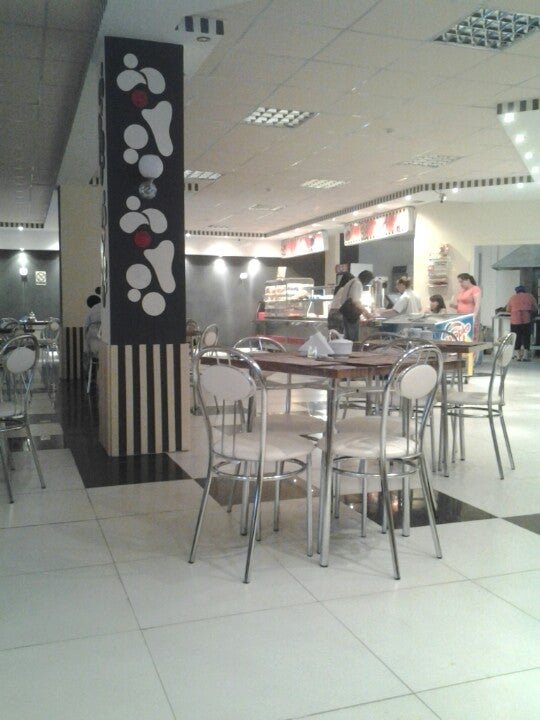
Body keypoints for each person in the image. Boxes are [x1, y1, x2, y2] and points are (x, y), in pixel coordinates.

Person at [327, 271, 371, 341]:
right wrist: (366, 313)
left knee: (337, 338)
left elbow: (342, 301)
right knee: (351, 338)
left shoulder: (345, 285)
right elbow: (355, 301)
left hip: (337, 312)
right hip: (347, 314)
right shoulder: (357, 283)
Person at [506, 285, 537, 361]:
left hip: (515, 321)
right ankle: (525, 356)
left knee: (517, 338)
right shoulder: (530, 296)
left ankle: (518, 356)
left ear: (516, 291)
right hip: (526, 320)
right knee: (526, 337)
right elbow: (535, 308)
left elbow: (508, 309)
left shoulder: (513, 297)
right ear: (524, 290)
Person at [449, 273, 482, 339]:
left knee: (470, 338)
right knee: (461, 337)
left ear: (468, 280)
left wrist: (474, 317)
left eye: (462, 282)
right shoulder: (462, 291)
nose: (460, 284)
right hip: (460, 318)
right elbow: (461, 306)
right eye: (459, 282)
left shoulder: (475, 289)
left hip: (470, 318)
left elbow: (477, 304)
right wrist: (453, 306)